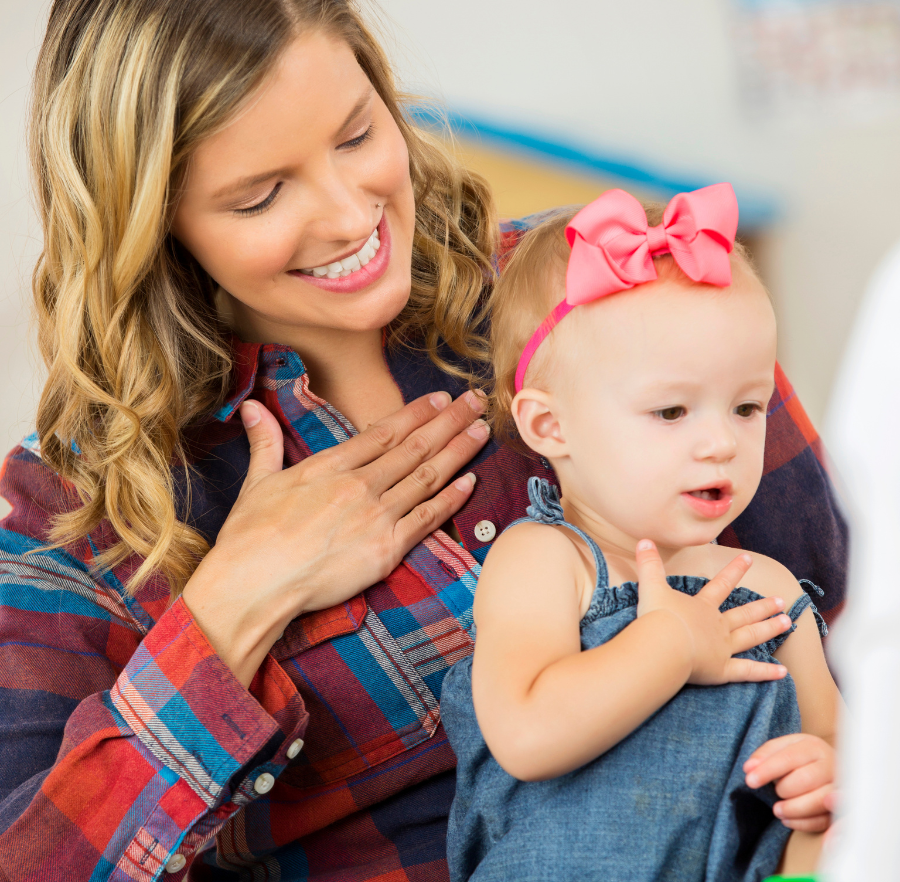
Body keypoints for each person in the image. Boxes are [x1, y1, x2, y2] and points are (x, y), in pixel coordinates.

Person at [0, 0, 847, 878]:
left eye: (356, 136)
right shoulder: (77, 510)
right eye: (260, 196)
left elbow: (849, 625)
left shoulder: (598, 291)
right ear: (149, 220)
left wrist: (836, 778)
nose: (347, 216)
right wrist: (232, 604)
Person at [441, 187, 841, 881]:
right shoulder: (547, 560)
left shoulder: (766, 586)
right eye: (671, 412)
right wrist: (670, 645)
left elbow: (832, 729)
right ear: (551, 426)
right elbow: (526, 735)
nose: (722, 442)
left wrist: (829, 768)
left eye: (747, 407)